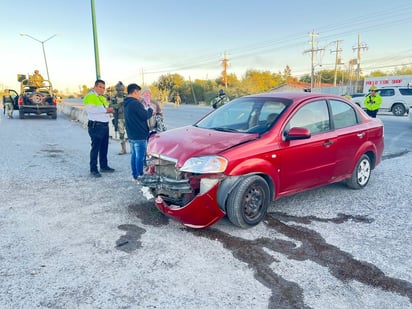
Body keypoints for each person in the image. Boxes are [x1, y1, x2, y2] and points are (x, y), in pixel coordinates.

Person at [84, 79, 115, 178]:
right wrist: (106, 110)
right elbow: (91, 110)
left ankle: (104, 166)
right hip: (96, 125)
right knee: (95, 148)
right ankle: (93, 169)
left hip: (104, 125)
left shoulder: (102, 98)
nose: (102, 89)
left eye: (103, 88)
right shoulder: (90, 96)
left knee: (104, 147)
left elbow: (105, 109)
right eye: (100, 87)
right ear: (95, 86)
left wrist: (109, 110)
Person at [123, 83, 153, 182]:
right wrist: (150, 109)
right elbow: (145, 115)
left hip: (132, 134)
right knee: (139, 157)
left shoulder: (126, 103)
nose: (140, 95)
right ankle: (140, 176)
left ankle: (135, 175)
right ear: (135, 91)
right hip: (139, 134)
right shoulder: (135, 103)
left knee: (134, 156)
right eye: (139, 92)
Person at [110, 81, 127, 155]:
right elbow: (110, 106)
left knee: (131, 133)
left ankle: (133, 149)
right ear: (117, 90)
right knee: (121, 134)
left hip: (128, 117)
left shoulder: (126, 97)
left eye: (122, 90)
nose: (121, 91)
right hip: (119, 118)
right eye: (119, 90)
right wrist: (119, 105)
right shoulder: (114, 98)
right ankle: (123, 149)